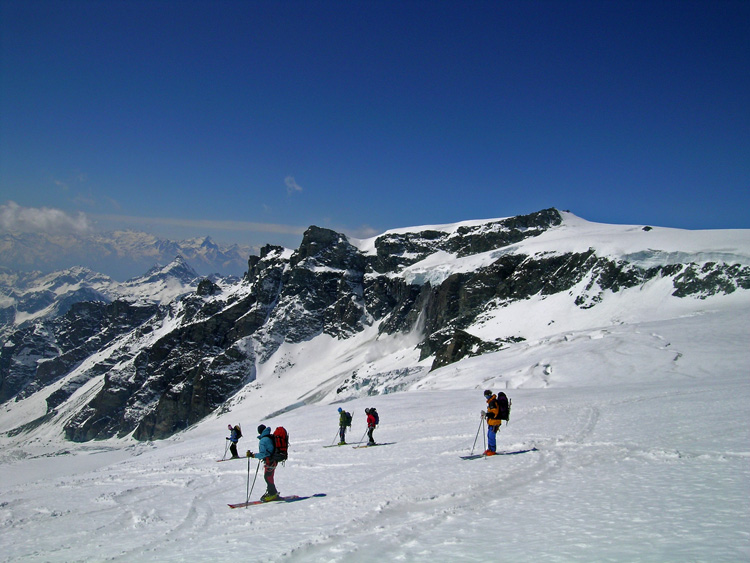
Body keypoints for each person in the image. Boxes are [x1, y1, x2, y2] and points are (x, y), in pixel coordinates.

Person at [247, 424, 279, 502]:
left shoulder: (263, 440)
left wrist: (253, 455)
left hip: (269, 461)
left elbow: (264, 454)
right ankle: (272, 493)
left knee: (267, 477)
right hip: (273, 460)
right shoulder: (269, 437)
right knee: (269, 477)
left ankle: (272, 494)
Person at [482, 390, 501, 455]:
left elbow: (494, 413)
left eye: (487, 395)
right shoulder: (491, 402)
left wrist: (486, 414)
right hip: (492, 422)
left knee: (491, 436)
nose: (486, 397)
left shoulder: (492, 402)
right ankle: (490, 449)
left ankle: (492, 450)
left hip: (495, 422)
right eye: (485, 396)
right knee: (489, 435)